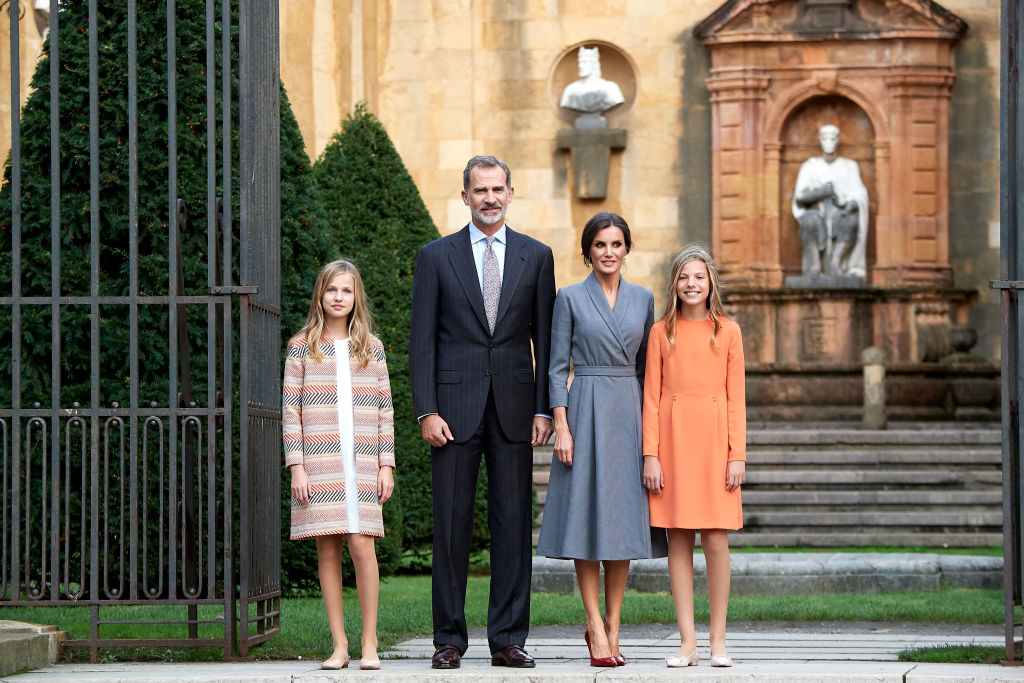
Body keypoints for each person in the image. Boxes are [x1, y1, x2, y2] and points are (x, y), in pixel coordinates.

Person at [409, 155, 556, 670]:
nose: (489, 198)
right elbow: (422, 341)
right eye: (480, 190)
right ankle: (448, 639)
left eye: (497, 189)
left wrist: (544, 410)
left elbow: (546, 341)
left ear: (511, 193)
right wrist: (426, 410)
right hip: (452, 412)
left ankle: (508, 638)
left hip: (516, 409)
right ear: (465, 196)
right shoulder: (435, 256)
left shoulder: (537, 256)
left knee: (513, 525)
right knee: (451, 525)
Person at [537, 211, 666, 667]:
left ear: (626, 249)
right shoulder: (570, 298)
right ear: (587, 251)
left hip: (628, 411)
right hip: (585, 408)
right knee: (587, 517)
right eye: (600, 245)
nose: (608, 252)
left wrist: (652, 440)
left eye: (616, 244)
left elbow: (648, 372)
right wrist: (562, 425)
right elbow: (556, 367)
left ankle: (614, 625)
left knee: (622, 521)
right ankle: (593, 624)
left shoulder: (644, 298)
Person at [283, 259, 396, 671]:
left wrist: (386, 465)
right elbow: (291, 411)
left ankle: (370, 641)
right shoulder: (301, 346)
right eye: (331, 289)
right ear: (320, 294)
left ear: (356, 297)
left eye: (346, 290)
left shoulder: (372, 347)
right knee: (327, 547)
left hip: (362, 463)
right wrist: (297, 466)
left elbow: (385, 409)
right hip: (321, 462)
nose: (338, 297)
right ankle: (339, 644)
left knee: (362, 544)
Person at [642, 244, 746, 668]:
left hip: (715, 443)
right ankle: (688, 643)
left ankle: (718, 641)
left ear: (710, 283)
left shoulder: (728, 332)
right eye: (684, 277)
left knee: (716, 539)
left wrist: (737, 454)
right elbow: (651, 397)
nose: (691, 284)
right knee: (679, 539)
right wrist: (650, 454)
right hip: (673, 442)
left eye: (699, 277)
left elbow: (736, 397)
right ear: (674, 284)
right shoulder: (660, 332)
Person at [791, 124, 869, 278]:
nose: (829, 142)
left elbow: (860, 193)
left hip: (839, 215)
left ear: (837, 140)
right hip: (817, 215)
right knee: (809, 221)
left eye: (832, 139)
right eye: (825, 138)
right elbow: (800, 198)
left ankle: (836, 263)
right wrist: (820, 193)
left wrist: (850, 204)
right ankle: (814, 267)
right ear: (820, 140)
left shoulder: (850, 166)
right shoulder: (810, 167)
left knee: (851, 220)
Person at [560, 45, 625, 115]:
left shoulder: (610, 88)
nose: (580, 66)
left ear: (594, 64)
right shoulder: (571, 89)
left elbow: (616, 100)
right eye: (579, 62)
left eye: (584, 62)